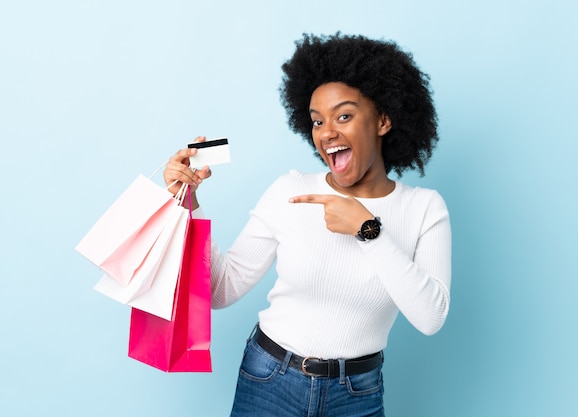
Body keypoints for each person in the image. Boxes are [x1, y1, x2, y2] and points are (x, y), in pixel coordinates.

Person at [164, 33, 451, 417]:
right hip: (268, 379)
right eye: (317, 121)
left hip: (357, 393)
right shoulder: (291, 190)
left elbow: (431, 318)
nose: (327, 132)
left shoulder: (424, 208)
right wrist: (189, 205)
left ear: (383, 120)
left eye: (344, 116)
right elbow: (220, 290)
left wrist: (369, 231)